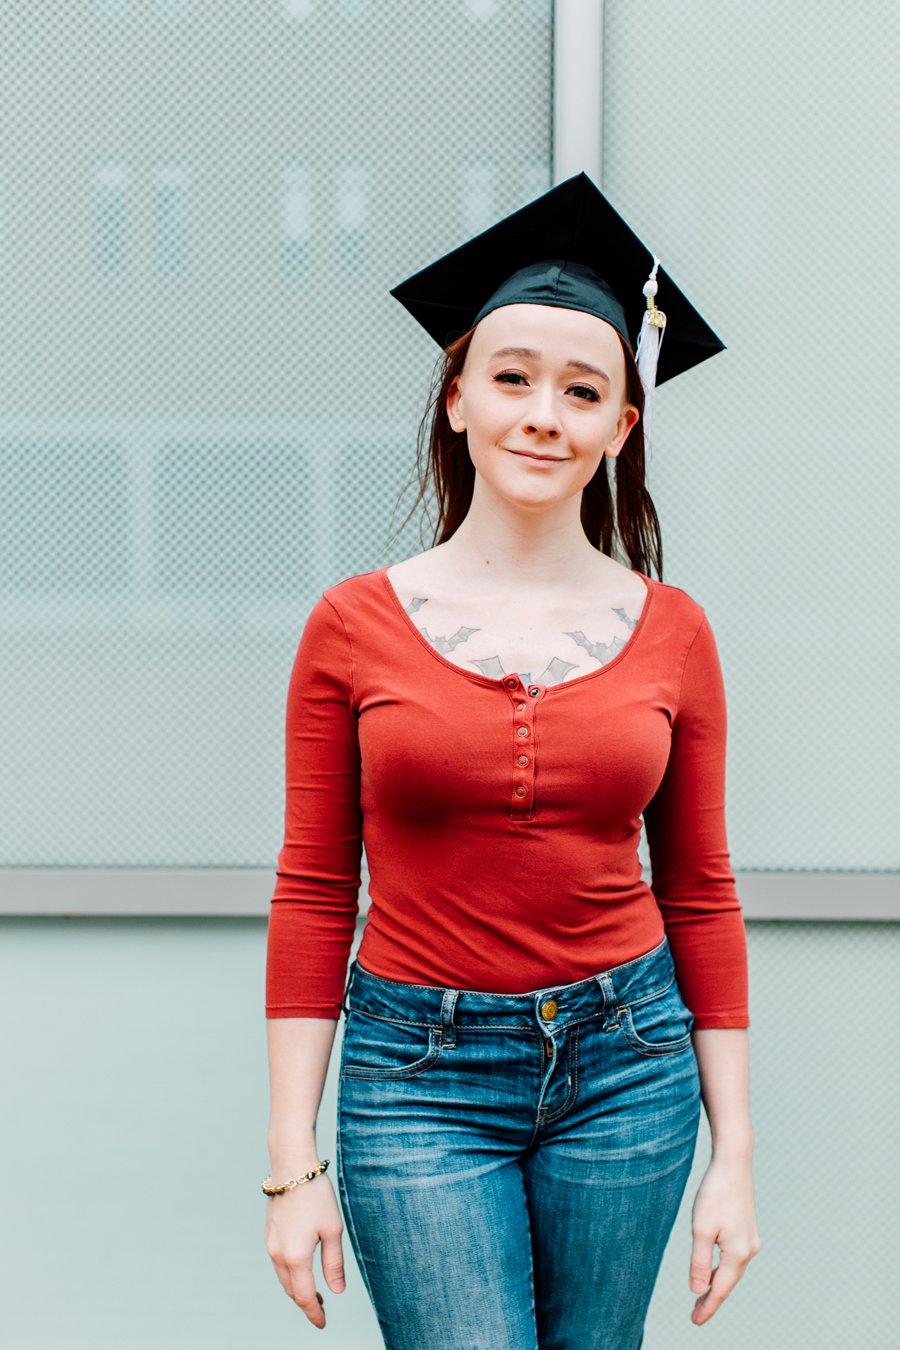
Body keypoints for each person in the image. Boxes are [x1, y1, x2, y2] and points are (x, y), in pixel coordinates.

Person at [262, 171, 761, 1349]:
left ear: (620, 426)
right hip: (414, 1076)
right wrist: (293, 1162)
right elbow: (315, 889)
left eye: (583, 390)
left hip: (630, 1068)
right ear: (458, 401)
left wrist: (736, 1154)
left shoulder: (676, 630)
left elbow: (699, 889)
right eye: (514, 378)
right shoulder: (350, 625)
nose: (545, 413)